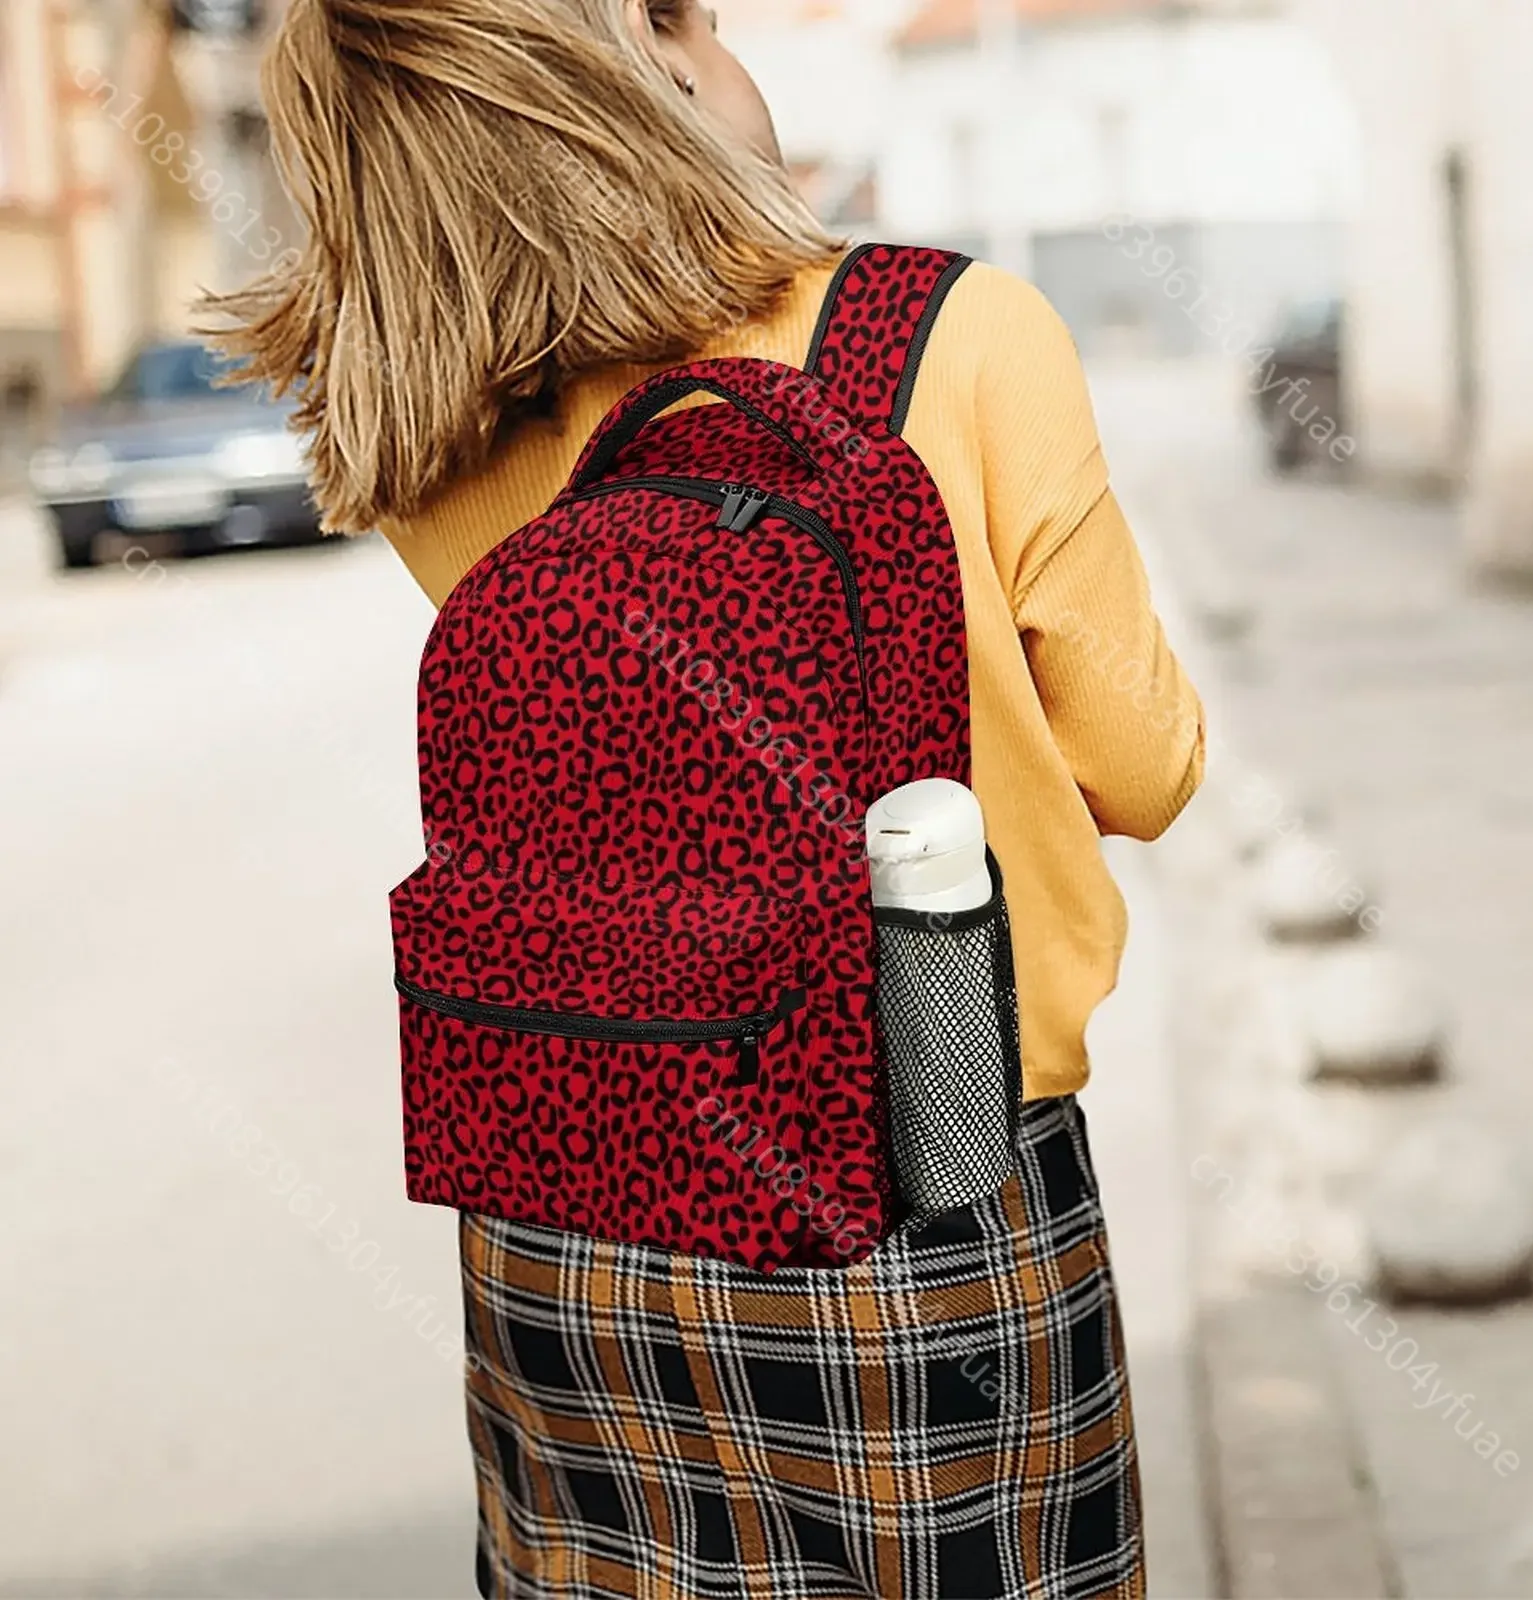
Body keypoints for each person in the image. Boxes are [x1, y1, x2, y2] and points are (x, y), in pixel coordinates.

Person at [206, 2, 1205, 1595]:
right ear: (646, 65)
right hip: (922, 1191)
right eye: (689, 17)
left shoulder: (444, 423)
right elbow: (1143, 768)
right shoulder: (947, 335)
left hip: (563, 1222)